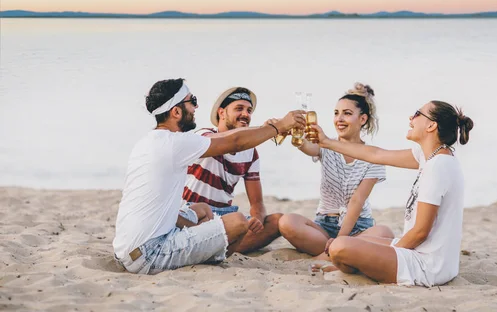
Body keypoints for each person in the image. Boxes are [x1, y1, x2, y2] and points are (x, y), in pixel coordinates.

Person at [112, 78, 305, 274]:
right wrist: (278, 127)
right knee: (237, 221)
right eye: (192, 101)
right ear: (176, 111)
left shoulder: (150, 142)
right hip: (150, 254)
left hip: (127, 250)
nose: (196, 107)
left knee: (202, 210)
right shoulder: (178, 143)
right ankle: (212, 249)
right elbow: (235, 142)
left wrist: (265, 129)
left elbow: (235, 139)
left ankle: (208, 241)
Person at [309, 100, 474, 286]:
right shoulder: (431, 156)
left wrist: (394, 251)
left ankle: (354, 266)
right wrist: (327, 143)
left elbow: (420, 232)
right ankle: (356, 264)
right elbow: (376, 155)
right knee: (353, 242)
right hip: (424, 255)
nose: (411, 118)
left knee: (340, 246)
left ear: (431, 125)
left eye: (417, 113)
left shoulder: (438, 166)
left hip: (428, 266)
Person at [277, 83, 393, 260]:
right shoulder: (326, 144)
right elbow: (306, 146)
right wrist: (295, 136)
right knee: (287, 222)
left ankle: (330, 253)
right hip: (324, 226)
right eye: (336, 113)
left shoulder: (373, 157)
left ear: (362, 119)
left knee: (385, 232)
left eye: (347, 114)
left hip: (358, 228)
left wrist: (340, 239)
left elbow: (357, 201)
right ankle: (338, 253)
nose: (339, 119)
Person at [182, 87, 282, 254]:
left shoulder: (250, 152)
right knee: (237, 223)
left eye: (249, 110)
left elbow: (257, 204)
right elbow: (235, 141)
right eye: (239, 109)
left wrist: (257, 219)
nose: (245, 114)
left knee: (277, 221)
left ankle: (218, 247)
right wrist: (267, 130)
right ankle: (219, 247)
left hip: (224, 216)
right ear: (221, 113)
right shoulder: (203, 136)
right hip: (193, 213)